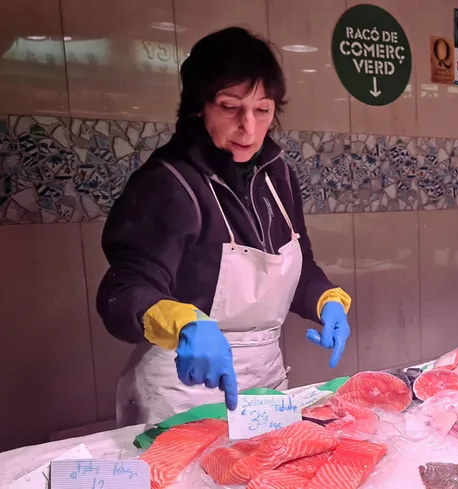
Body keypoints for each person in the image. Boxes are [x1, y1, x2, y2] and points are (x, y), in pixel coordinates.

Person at [97, 27, 351, 426]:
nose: (248, 128)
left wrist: (326, 300)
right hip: (182, 390)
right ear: (200, 106)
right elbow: (123, 290)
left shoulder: (278, 176)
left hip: (265, 379)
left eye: (262, 110)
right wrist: (185, 324)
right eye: (231, 108)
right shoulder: (169, 183)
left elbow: (299, 270)